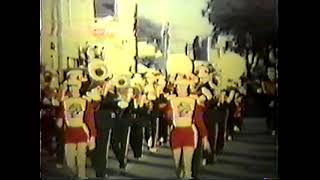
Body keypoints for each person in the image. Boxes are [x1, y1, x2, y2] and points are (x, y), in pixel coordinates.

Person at [167, 78, 210, 179]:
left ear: (187, 88)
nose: (180, 89)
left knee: (188, 164)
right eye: (178, 86)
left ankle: (188, 175)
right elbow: (164, 113)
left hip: (189, 133)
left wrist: (204, 137)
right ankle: (180, 173)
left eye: (183, 86)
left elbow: (199, 119)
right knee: (177, 165)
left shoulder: (193, 101)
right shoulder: (172, 101)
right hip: (176, 133)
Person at [57, 84, 97, 179]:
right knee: (70, 159)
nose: (74, 90)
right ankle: (74, 173)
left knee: (81, 157)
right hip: (69, 133)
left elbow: (90, 120)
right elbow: (60, 120)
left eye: (76, 88)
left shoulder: (85, 102)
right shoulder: (65, 102)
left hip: (82, 132)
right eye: (72, 89)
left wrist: (92, 136)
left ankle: (82, 175)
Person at [92, 81, 118, 178]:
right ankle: (96, 166)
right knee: (94, 149)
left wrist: (104, 94)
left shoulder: (112, 97)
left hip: (105, 125)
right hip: (94, 123)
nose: (105, 84)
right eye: (104, 83)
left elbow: (108, 105)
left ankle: (101, 171)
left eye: (107, 83)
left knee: (103, 149)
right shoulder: (94, 93)